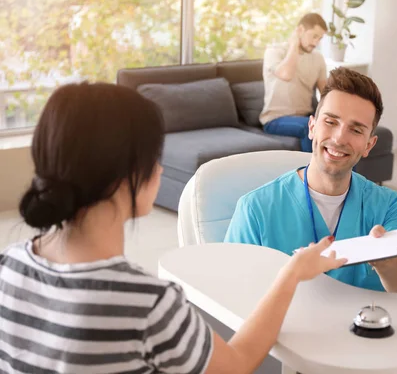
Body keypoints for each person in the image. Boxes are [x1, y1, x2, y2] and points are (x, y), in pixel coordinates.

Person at [0, 82, 346, 374]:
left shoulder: (7, 267)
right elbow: (236, 365)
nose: (161, 169)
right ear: (125, 175)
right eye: (155, 155)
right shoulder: (146, 303)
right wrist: (292, 274)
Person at [225, 68, 397, 293]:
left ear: (369, 145)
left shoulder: (386, 206)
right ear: (312, 127)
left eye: (356, 130)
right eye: (330, 122)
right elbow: (231, 295)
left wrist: (386, 262)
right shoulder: (255, 209)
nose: (339, 138)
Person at [260, 12, 328, 152]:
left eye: (320, 38)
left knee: (344, 131)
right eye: (314, 36)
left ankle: (349, 175)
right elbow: (286, 74)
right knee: (309, 127)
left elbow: (326, 93)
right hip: (275, 119)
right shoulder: (274, 51)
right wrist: (294, 45)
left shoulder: (318, 58)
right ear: (300, 30)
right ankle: (312, 174)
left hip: (305, 116)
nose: (316, 43)